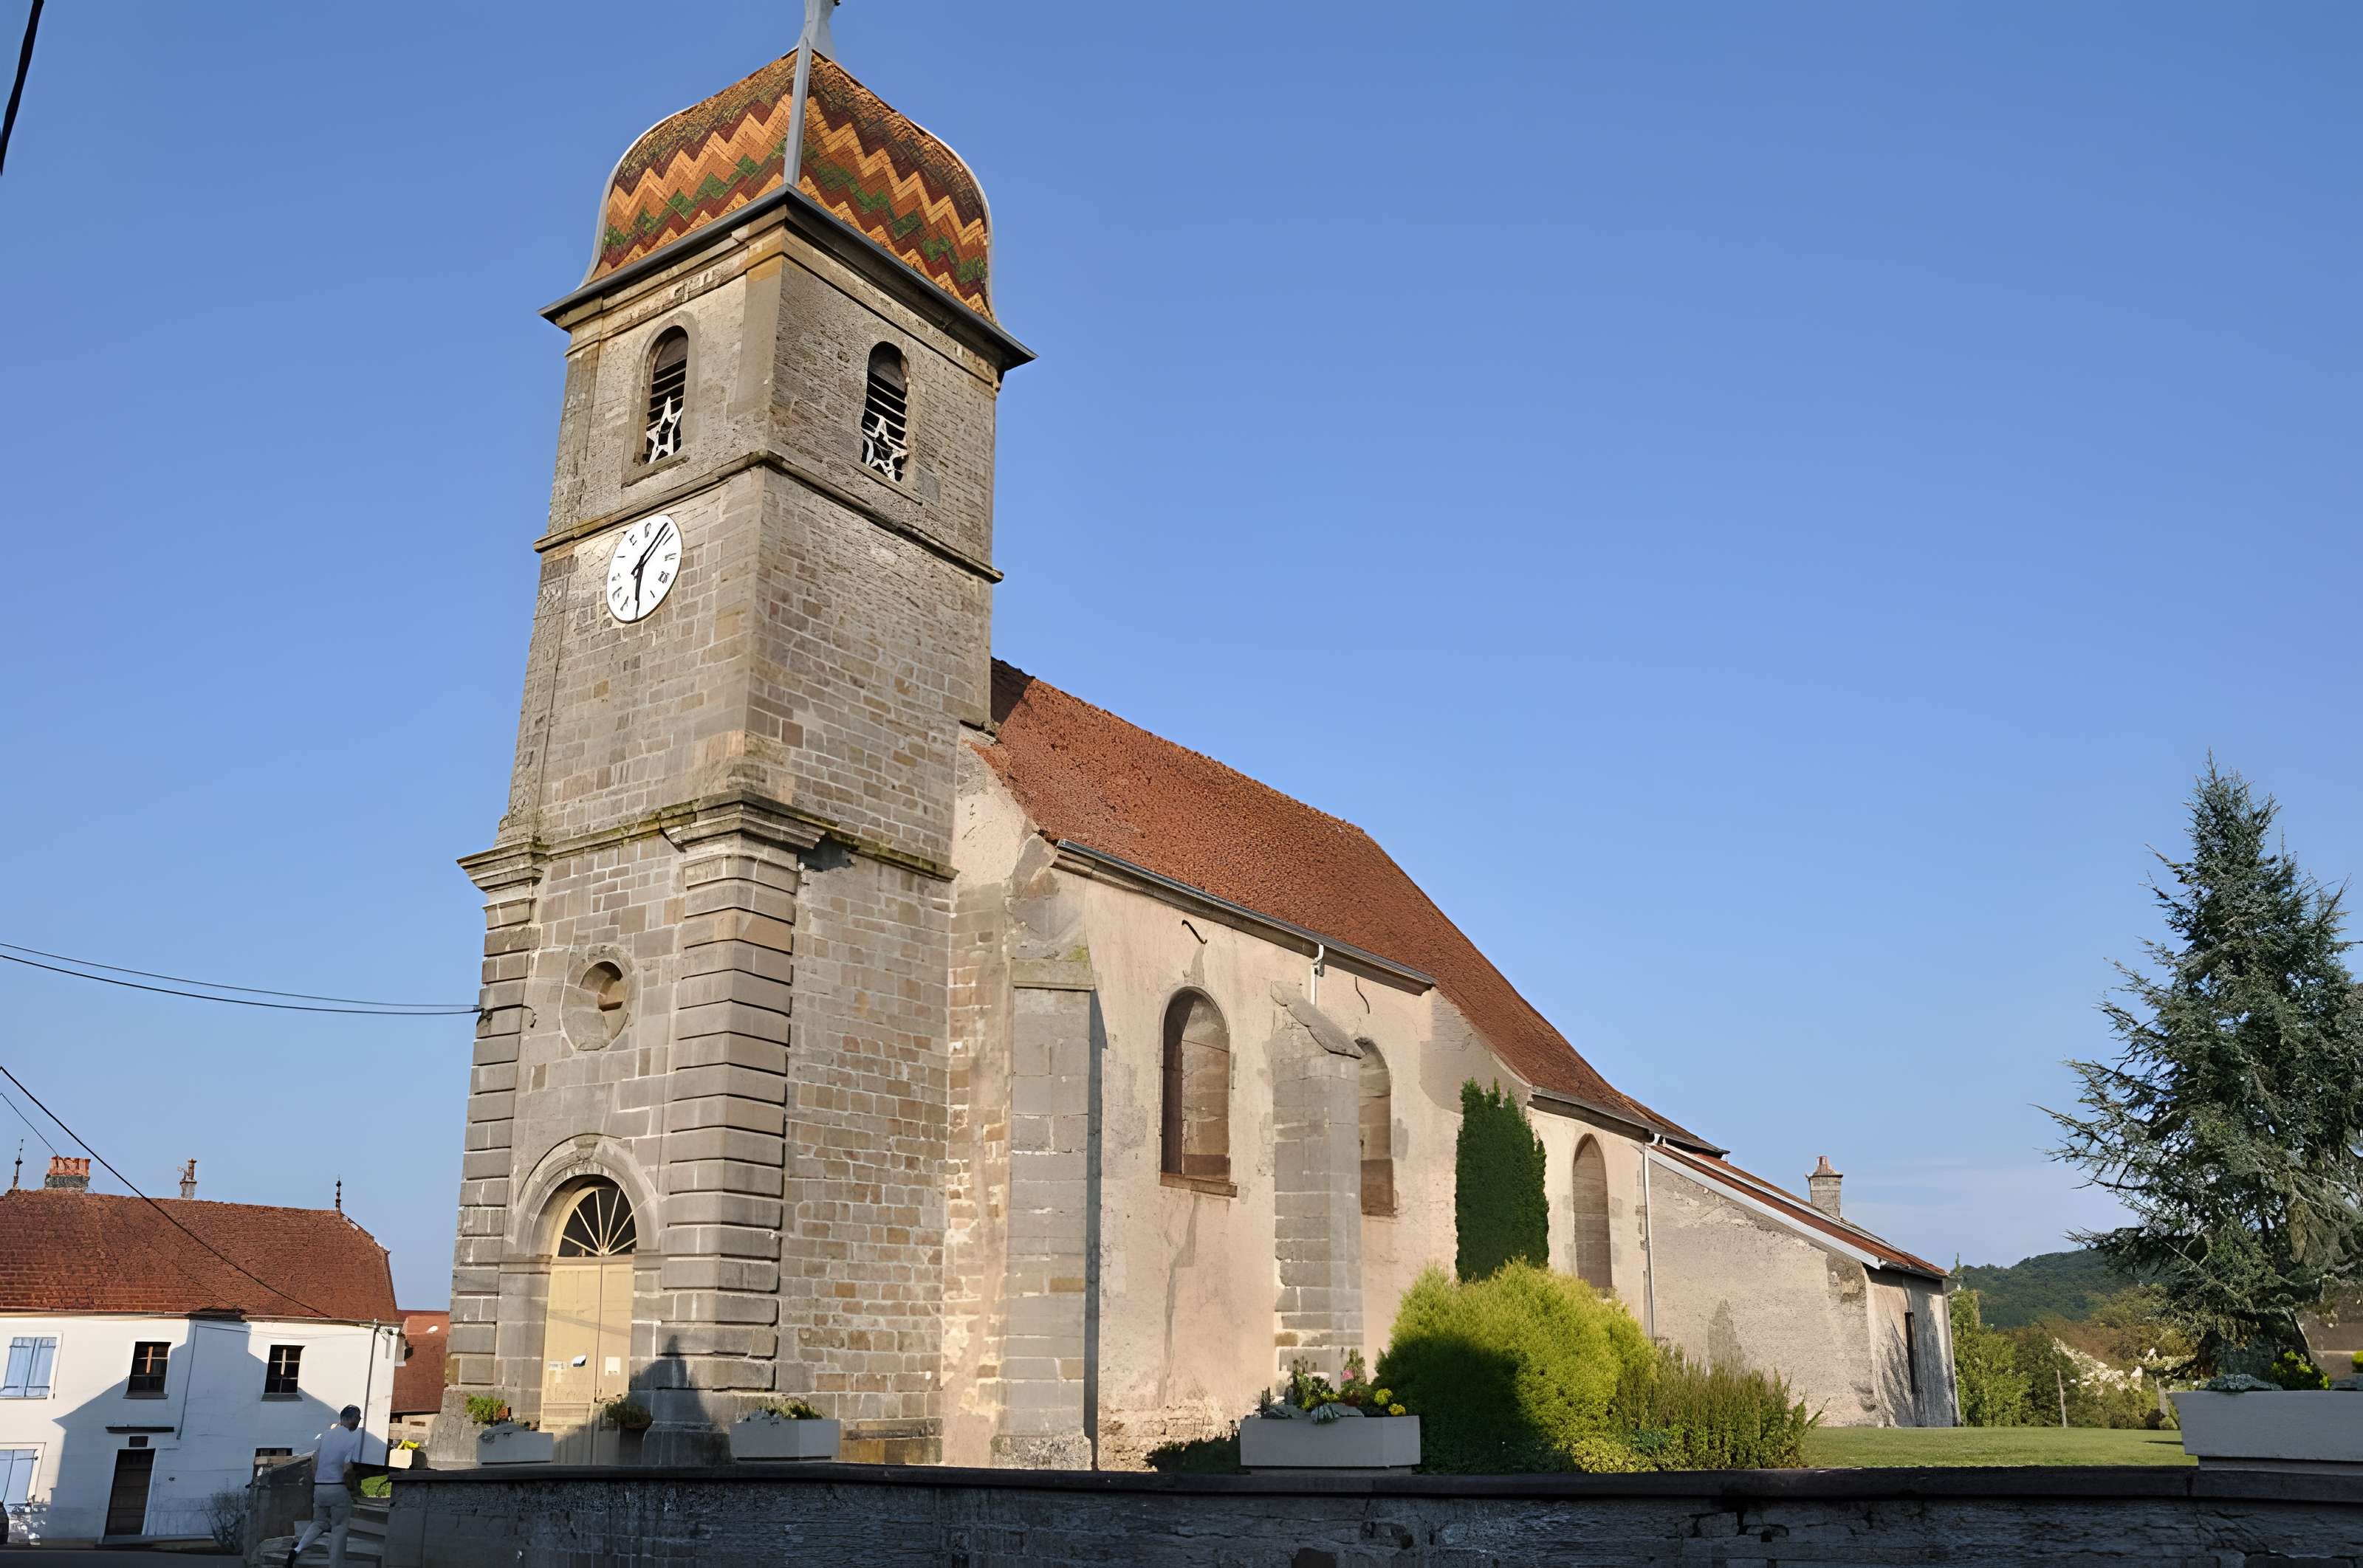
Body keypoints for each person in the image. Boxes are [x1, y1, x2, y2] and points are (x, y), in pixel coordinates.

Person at [287, 1405, 367, 1567]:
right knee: (340, 1528)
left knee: (319, 1523)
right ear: (350, 1419)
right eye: (358, 1417)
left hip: (320, 1488)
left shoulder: (326, 1436)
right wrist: (351, 1489)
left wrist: (317, 1481)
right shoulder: (352, 1438)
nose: (359, 1420)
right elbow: (347, 1469)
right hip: (337, 1488)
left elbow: (313, 1463)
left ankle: (297, 1549)